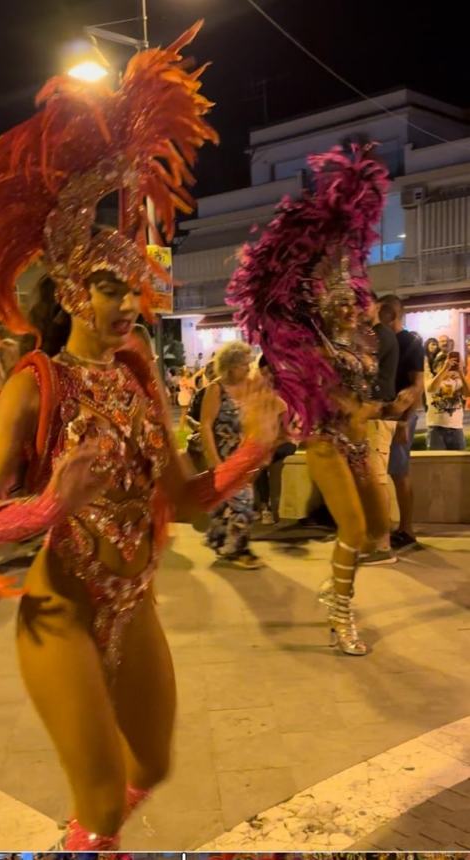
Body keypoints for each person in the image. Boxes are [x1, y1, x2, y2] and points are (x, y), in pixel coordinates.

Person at [0, 25, 281, 850]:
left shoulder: (142, 374)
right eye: (111, 290)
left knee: (156, 764)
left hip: (133, 604)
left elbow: (181, 502)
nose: (126, 307)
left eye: (131, 292)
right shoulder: (37, 383)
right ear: (73, 289)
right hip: (58, 613)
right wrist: (48, 505)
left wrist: (254, 447)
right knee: (105, 801)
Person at [227, 142, 391, 655]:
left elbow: (366, 384)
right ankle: (340, 616)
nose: (352, 308)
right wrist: (336, 395)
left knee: (379, 530)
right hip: (323, 438)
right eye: (341, 302)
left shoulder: (352, 322)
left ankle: (336, 584)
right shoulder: (301, 336)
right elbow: (305, 384)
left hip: (358, 436)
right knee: (356, 527)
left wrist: (368, 404)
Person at [201, 342, 282, 569]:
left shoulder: (249, 387)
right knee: (243, 503)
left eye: (248, 364)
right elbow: (206, 425)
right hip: (226, 457)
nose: (248, 368)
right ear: (229, 366)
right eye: (243, 365)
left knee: (231, 503)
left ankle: (223, 543)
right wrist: (214, 460)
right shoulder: (216, 390)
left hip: (246, 455)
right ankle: (239, 550)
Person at [379, 295, 425, 552]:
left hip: (400, 417)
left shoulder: (411, 342)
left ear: (391, 315)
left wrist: (404, 422)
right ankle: (388, 527)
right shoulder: (382, 341)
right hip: (384, 414)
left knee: (399, 472)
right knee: (384, 473)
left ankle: (407, 529)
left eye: (381, 315)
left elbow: (416, 386)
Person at [360, 292, 399, 565]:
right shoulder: (371, 335)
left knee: (377, 479)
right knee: (370, 479)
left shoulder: (380, 336)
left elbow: (363, 370)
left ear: (376, 307)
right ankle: (373, 539)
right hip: (370, 414)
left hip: (378, 412)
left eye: (363, 303)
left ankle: (383, 546)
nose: (358, 309)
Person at [255, 356, 297, 524]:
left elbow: (285, 432)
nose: (265, 378)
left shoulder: (281, 401)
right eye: (262, 374)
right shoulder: (258, 400)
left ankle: (267, 508)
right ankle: (262, 506)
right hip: (266, 444)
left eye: (268, 373)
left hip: (284, 443)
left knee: (262, 459)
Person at [426, 350, 469, 450]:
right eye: (443, 365)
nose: (448, 368)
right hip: (436, 428)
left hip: (456, 428)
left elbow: (468, 394)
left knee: (458, 463)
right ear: (435, 368)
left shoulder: (458, 381)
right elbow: (431, 388)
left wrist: (461, 373)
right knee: (437, 462)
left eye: (450, 365)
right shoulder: (431, 380)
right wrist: (444, 369)